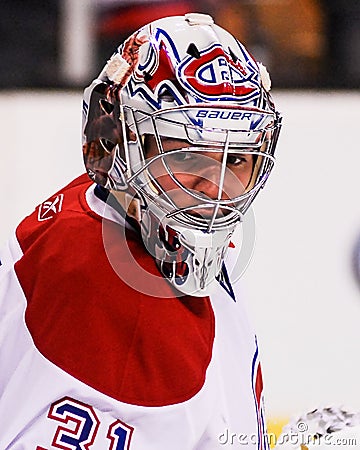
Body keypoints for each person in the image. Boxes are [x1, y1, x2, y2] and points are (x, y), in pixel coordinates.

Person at [0, 13, 282, 449]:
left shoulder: (144, 234)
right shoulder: (113, 299)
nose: (216, 185)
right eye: (188, 155)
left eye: (237, 158)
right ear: (118, 142)